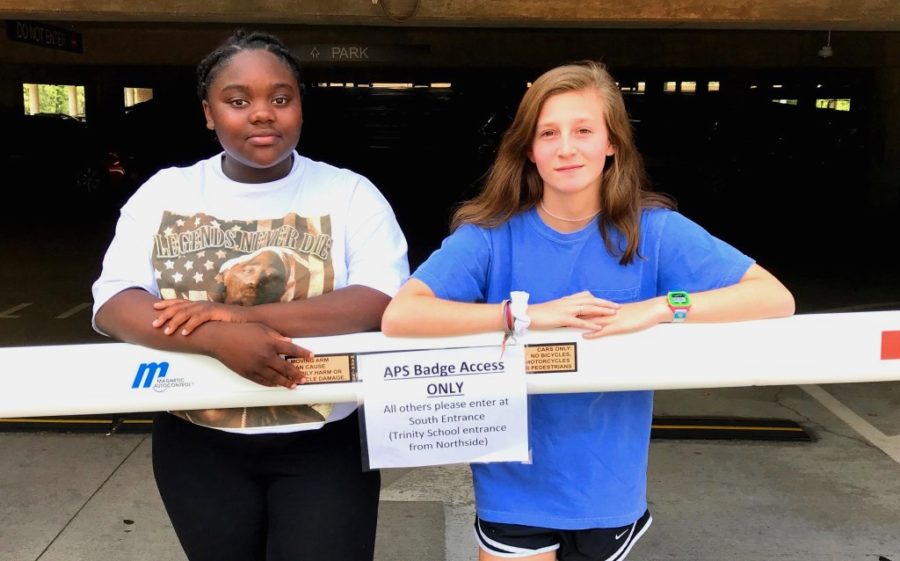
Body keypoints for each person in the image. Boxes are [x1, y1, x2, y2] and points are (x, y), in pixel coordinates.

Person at [381, 61, 794, 561]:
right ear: (529, 150)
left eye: (583, 130)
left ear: (612, 142)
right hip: (513, 483)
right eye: (548, 133)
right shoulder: (490, 235)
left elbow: (773, 297)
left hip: (607, 488)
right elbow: (402, 315)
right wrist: (520, 316)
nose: (566, 147)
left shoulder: (654, 230)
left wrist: (662, 307)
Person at [92, 30, 409, 561]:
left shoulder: (350, 193)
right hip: (195, 437)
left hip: (323, 435)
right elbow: (114, 302)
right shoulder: (165, 193)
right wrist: (216, 340)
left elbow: (379, 299)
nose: (262, 114)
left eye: (280, 99)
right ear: (209, 113)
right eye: (238, 101)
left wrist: (243, 317)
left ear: (300, 107)